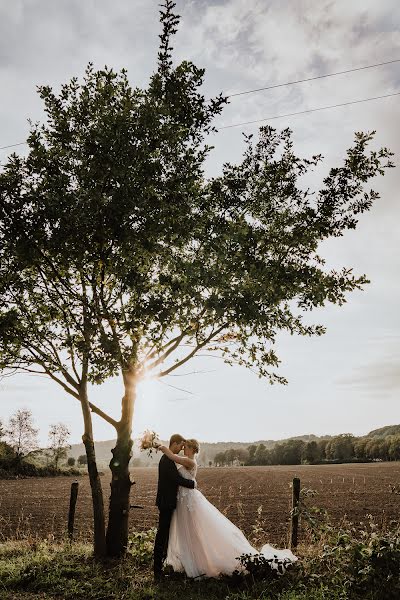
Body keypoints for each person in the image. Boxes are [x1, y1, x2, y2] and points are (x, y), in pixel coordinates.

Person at [157, 439, 298, 579]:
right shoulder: (185, 459)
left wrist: (163, 448)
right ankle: (189, 561)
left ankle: (198, 562)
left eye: (186, 447)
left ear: (193, 449)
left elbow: (173, 457)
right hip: (183, 500)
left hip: (188, 500)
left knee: (194, 531)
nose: (183, 449)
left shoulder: (190, 461)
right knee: (187, 532)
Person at [153, 433, 196, 581]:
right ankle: (157, 570)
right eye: (180, 446)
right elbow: (177, 479)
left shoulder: (169, 459)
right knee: (162, 534)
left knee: (165, 534)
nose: (181, 448)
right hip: (166, 502)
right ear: (174, 444)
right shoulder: (167, 460)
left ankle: (161, 565)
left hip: (168, 501)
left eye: (185, 447)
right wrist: (193, 484)